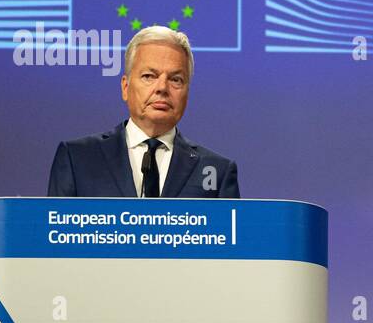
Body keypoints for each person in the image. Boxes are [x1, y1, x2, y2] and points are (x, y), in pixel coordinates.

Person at [47, 26, 240, 198]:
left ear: (187, 93)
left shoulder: (216, 171)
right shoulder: (77, 158)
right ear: (125, 87)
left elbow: (231, 235)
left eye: (176, 80)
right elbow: (54, 234)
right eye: (149, 76)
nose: (162, 87)